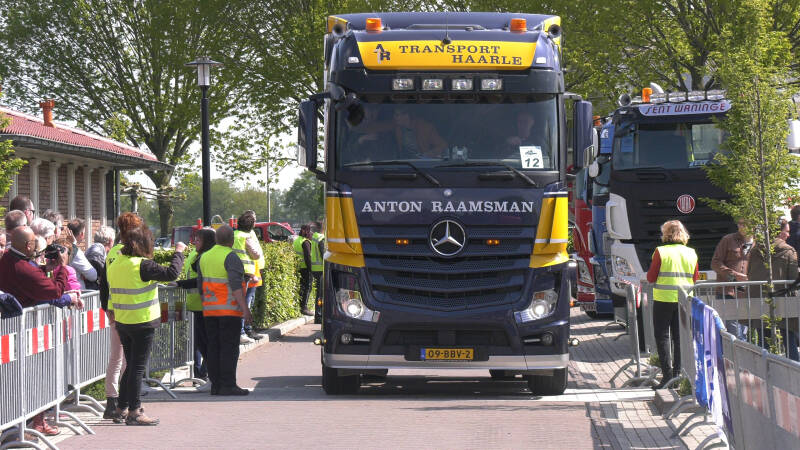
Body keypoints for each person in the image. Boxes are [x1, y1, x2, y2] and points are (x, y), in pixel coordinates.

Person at [0, 226, 81, 436]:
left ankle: (32, 423)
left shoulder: (7, 259)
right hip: (24, 332)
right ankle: (20, 428)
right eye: (35, 244)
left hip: (13, 330)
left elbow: (32, 280)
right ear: (28, 245)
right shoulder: (23, 268)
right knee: (31, 377)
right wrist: (61, 268)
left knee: (22, 378)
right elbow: (54, 291)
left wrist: (45, 270)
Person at [106, 223, 185, 425]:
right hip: (142, 322)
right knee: (137, 368)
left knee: (131, 366)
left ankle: (121, 408)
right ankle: (134, 411)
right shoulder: (143, 265)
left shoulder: (116, 263)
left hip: (123, 321)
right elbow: (172, 274)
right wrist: (178, 253)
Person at [197, 225, 252, 396]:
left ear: (216, 239)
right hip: (229, 311)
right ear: (232, 240)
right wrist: (245, 309)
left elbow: (200, 286)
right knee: (229, 349)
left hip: (210, 311)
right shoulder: (231, 257)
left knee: (213, 348)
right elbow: (236, 286)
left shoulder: (204, 257)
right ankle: (228, 385)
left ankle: (216, 385)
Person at [100, 213, 143, 420]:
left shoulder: (112, 252)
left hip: (114, 308)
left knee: (116, 356)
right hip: (130, 311)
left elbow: (104, 283)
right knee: (129, 359)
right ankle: (126, 403)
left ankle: (112, 401)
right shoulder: (132, 251)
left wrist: (106, 308)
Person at [646, 220, 699, 389]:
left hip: (664, 299)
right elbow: (695, 277)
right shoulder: (691, 253)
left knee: (662, 337)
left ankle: (667, 377)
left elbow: (651, 277)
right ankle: (677, 376)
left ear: (666, 233)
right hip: (684, 301)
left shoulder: (661, 251)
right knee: (679, 338)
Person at [747, 235, 799, 360]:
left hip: (760, 300)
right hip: (783, 302)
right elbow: (793, 279)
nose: (788, 234)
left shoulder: (754, 251)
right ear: (779, 232)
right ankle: (794, 370)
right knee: (788, 339)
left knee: (763, 341)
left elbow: (749, 273)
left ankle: (764, 369)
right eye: (787, 231)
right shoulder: (789, 251)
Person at [177, 227, 216, 382]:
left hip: (203, 306)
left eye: (198, 240)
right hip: (194, 305)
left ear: (207, 242)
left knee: (206, 343)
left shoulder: (205, 256)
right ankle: (201, 374)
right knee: (198, 343)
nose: (195, 242)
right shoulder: (196, 254)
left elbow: (199, 280)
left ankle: (208, 375)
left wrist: (179, 284)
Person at [233, 211, 265, 343]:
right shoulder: (246, 236)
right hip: (247, 273)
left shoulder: (234, 235)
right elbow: (255, 254)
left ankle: (240, 331)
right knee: (245, 303)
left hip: (234, 272)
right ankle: (241, 332)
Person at [711, 218, 753, 298]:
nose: (741, 226)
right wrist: (734, 276)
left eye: (745, 224)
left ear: (754, 225)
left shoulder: (759, 243)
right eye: (739, 224)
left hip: (749, 294)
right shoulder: (728, 239)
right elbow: (715, 263)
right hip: (727, 293)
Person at [66, 219, 97, 290]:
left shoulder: (61, 246)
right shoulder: (76, 252)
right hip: (75, 291)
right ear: (82, 234)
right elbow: (93, 276)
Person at [84, 226, 115, 291]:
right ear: (110, 241)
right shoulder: (97, 252)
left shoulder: (92, 249)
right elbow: (104, 273)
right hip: (93, 290)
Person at [293, 224, 314, 316]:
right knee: (307, 287)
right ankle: (304, 307)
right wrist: (311, 269)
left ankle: (299, 306)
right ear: (305, 231)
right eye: (309, 231)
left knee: (301, 287)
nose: (311, 233)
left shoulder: (297, 240)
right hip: (306, 268)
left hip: (298, 267)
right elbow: (308, 257)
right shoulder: (305, 242)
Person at [310, 221, 325, 320]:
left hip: (315, 269)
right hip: (321, 269)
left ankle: (318, 315)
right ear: (323, 228)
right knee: (320, 294)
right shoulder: (321, 238)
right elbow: (323, 255)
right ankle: (319, 315)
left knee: (319, 293)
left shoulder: (314, 237)